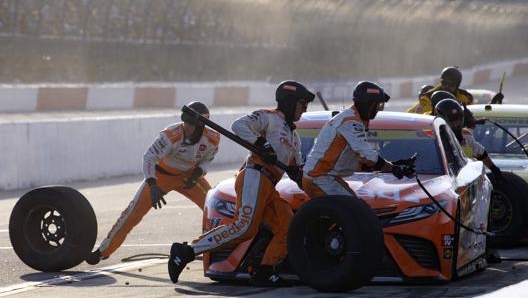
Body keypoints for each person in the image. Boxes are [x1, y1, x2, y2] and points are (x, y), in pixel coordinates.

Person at [166, 80, 315, 287]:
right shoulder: (268, 117)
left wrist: (306, 179)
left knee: (288, 226)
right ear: (289, 102)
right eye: (302, 103)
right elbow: (239, 125)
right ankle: (186, 252)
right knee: (244, 228)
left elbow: (297, 169)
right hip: (255, 176)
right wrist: (261, 144)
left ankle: (264, 270)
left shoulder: (294, 137)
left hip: (270, 186)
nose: (305, 108)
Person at [85, 101, 220, 265]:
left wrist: (199, 172)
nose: (188, 129)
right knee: (132, 213)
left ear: (203, 126)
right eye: (186, 124)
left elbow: (207, 160)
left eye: (193, 125)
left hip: (191, 177)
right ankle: (102, 251)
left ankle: (224, 249)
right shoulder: (170, 135)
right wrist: (152, 184)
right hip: (160, 177)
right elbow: (149, 157)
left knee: (216, 208)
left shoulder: (212, 138)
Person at [302, 81, 416, 198]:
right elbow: (368, 155)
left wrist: (393, 165)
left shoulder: (352, 119)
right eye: (378, 105)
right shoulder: (350, 122)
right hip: (319, 177)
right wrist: (394, 169)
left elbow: (361, 160)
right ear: (369, 104)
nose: (378, 109)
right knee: (355, 211)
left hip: (325, 176)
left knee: (356, 210)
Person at [434, 98, 502, 179]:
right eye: (453, 121)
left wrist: (495, 170)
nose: (457, 123)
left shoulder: (466, 136)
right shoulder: (435, 140)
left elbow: (481, 154)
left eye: (459, 119)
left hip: (467, 181)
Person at [407, 66, 474, 114]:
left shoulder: (466, 101)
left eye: (451, 84)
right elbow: (409, 117)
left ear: (457, 85)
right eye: (444, 83)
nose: (446, 87)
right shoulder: (426, 99)